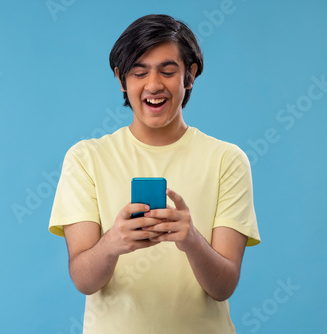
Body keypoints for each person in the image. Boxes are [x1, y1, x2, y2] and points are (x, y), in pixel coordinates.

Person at [48, 14, 260, 333]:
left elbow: (224, 286)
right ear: (122, 79)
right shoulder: (85, 158)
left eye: (168, 70)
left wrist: (191, 241)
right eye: (139, 72)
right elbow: (84, 279)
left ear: (190, 75)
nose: (153, 85)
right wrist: (112, 243)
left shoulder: (227, 160)